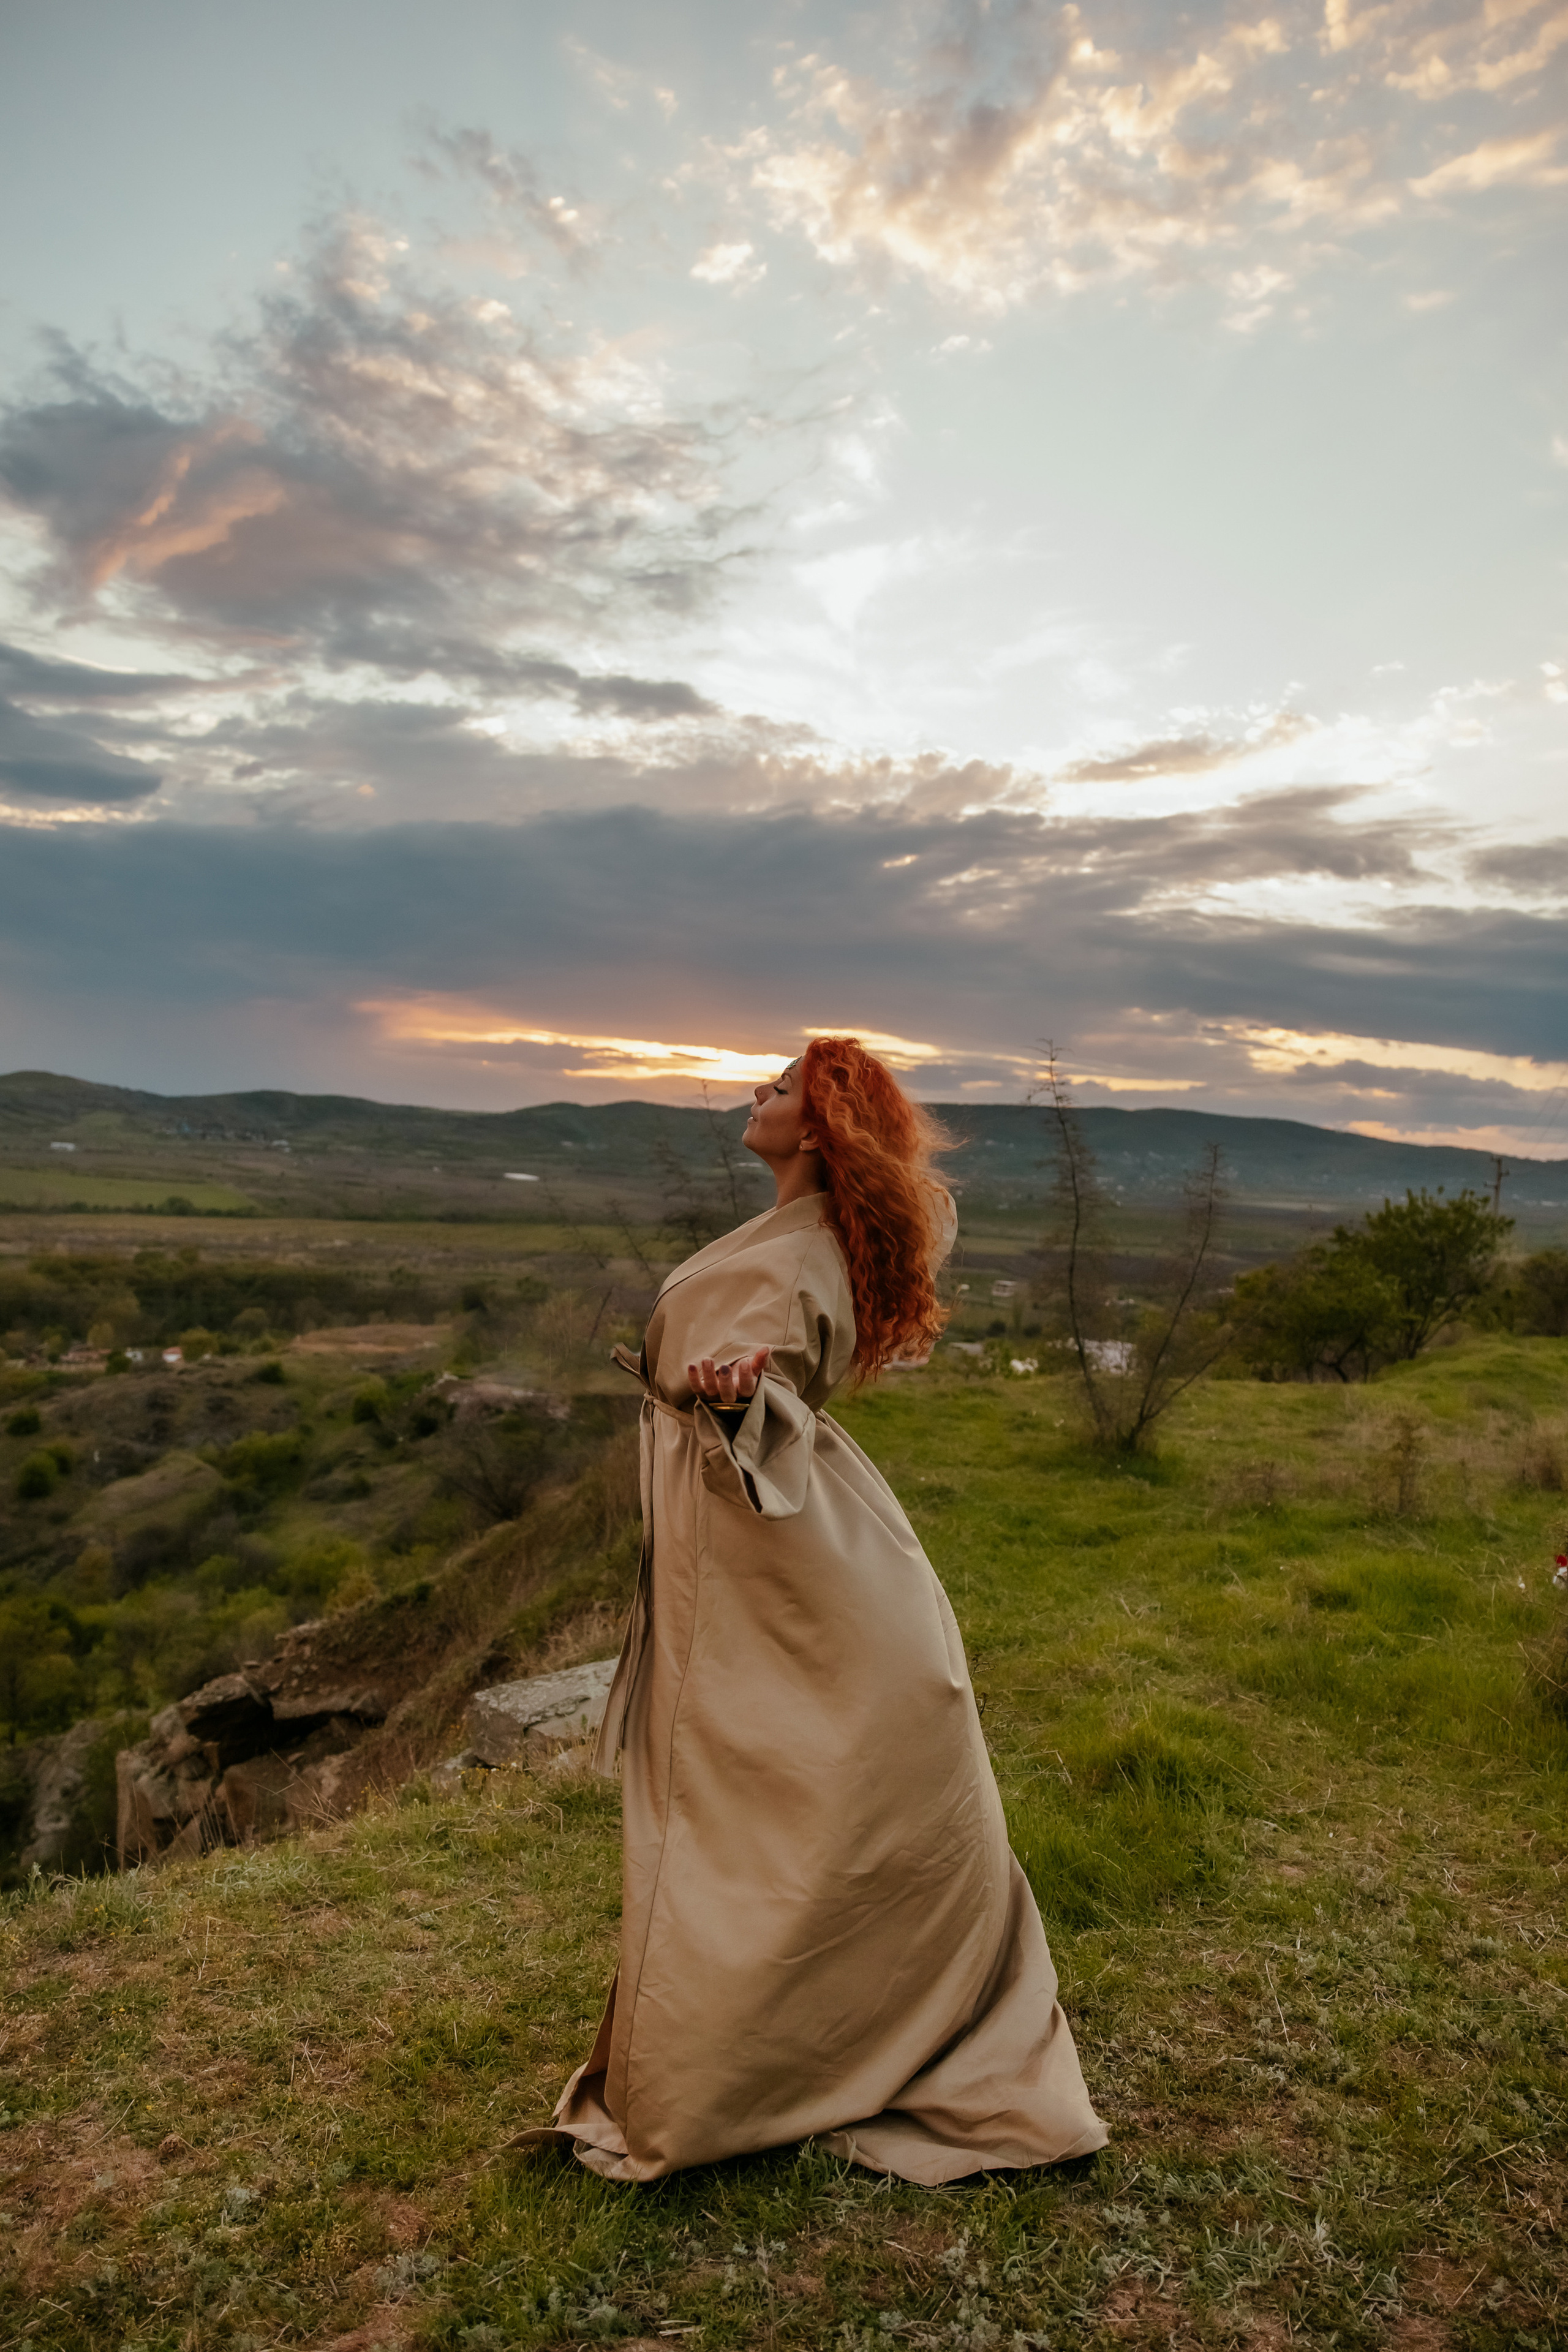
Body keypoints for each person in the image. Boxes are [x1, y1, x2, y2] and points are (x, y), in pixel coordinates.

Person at [529, 1036, 1106, 2185]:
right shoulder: (790, 1234)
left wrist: (745, 1395)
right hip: (738, 1538)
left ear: (822, 1125)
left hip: (771, 1547)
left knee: (753, 1794)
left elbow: (778, 1382)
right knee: (757, 1794)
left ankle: (740, 2069)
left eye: (782, 1088)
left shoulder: (812, 1259)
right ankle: (773, 2040)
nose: (758, 1096)